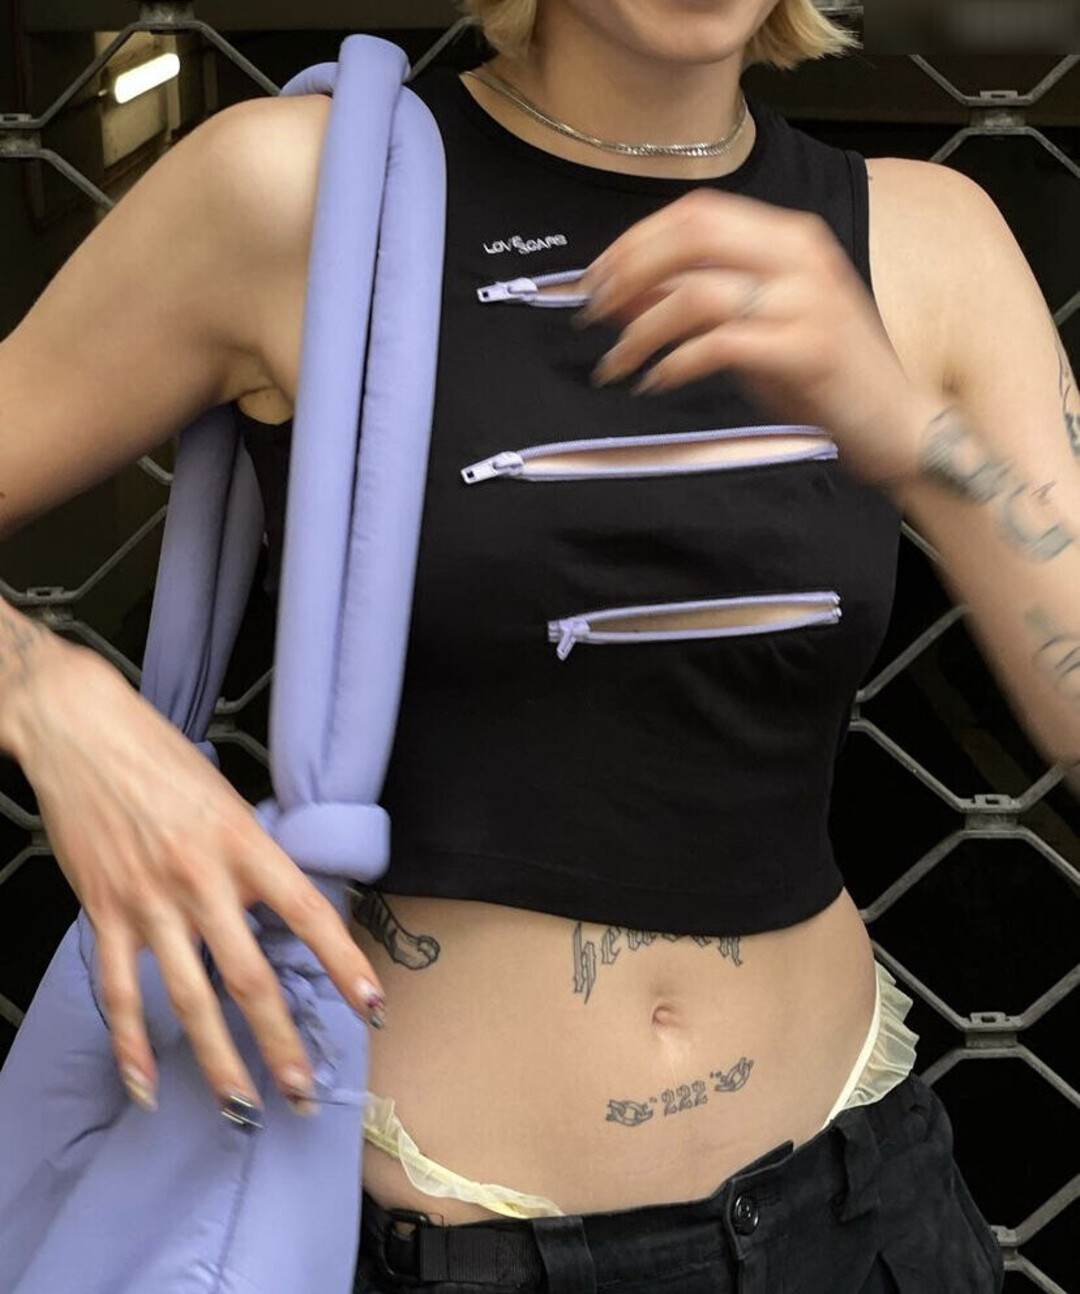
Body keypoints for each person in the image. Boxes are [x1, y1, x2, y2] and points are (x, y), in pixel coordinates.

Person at [1, 0, 1077, 1290]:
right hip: (450, 1249)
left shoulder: (931, 240)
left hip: (859, 1218)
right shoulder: (303, 192)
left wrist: (915, 437)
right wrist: (47, 697)